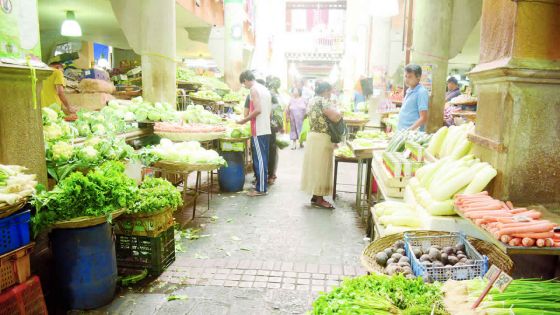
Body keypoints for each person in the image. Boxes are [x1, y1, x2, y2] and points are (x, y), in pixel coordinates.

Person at [301, 81, 341, 209]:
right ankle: (319, 199)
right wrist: (340, 114)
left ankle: (315, 195)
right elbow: (335, 117)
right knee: (322, 169)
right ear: (325, 91)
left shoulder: (312, 100)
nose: (330, 94)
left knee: (315, 167)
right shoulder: (323, 101)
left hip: (313, 136)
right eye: (330, 91)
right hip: (322, 138)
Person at [237, 70, 272, 196]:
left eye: (243, 83)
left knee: (259, 159)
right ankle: (261, 186)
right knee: (263, 158)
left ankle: (261, 189)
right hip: (266, 128)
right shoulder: (265, 89)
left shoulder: (253, 89)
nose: (244, 86)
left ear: (246, 79)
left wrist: (243, 121)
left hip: (258, 129)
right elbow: (269, 112)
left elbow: (258, 110)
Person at [397, 64, 429, 131]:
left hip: (411, 134)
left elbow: (424, 118)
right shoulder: (409, 90)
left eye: (410, 77)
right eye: (406, 76)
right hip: (403, 133)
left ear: (418, 77)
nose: (407, 79)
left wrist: (409, 130)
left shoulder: (421, 92)